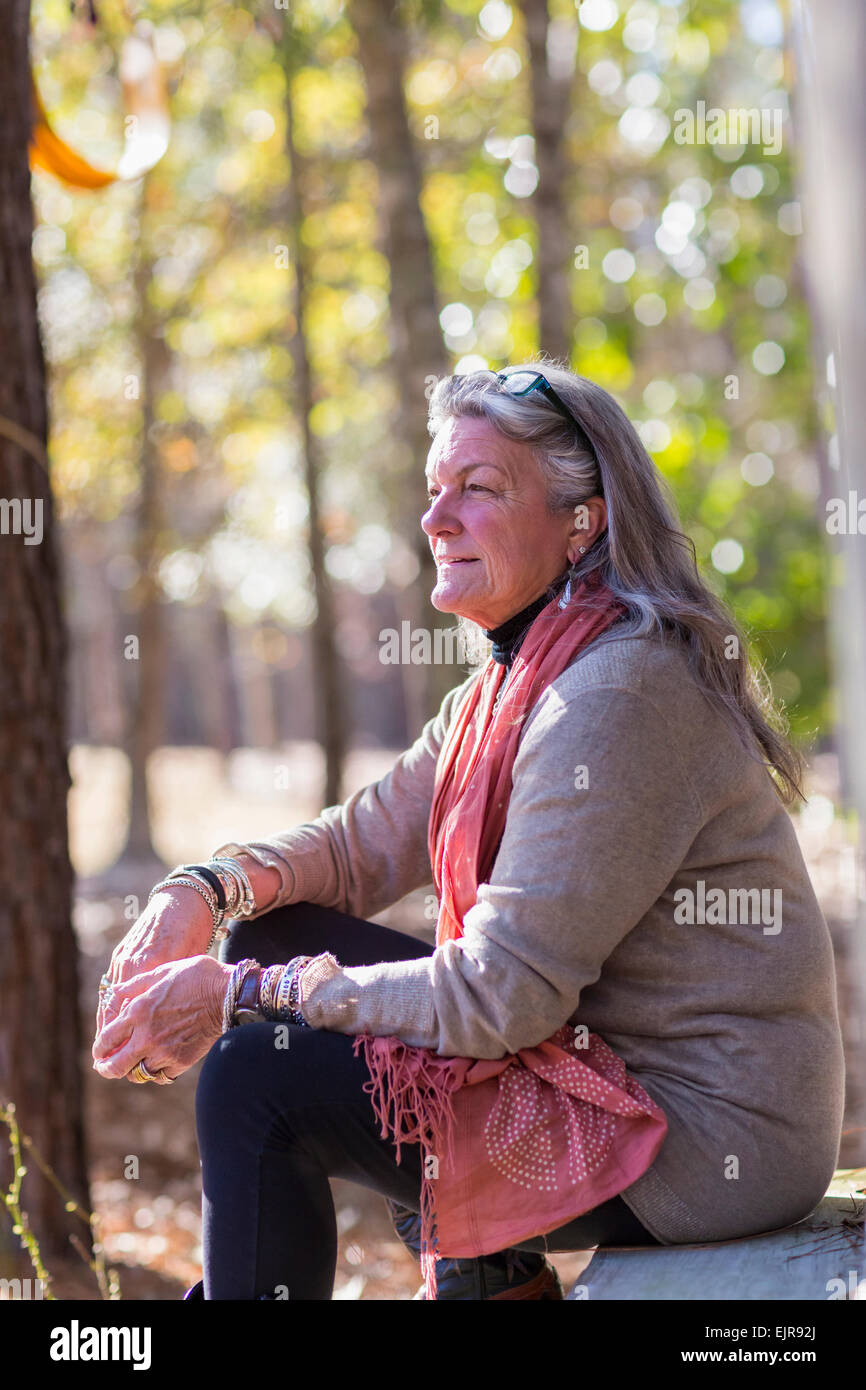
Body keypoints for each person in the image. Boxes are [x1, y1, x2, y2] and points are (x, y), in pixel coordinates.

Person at [92, 361, 846, 1301]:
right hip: (589, 1071)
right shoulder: (511, 681)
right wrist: (201, 895)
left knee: (259, 1078)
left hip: (703, 1136)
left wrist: (242, 993)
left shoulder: (615, 694)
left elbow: (499, 1000)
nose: (436, 518)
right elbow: (356, 847)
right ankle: (492, 1281)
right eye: (434, 490)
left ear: (583, 522)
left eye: (479, 490)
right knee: (277, 928)